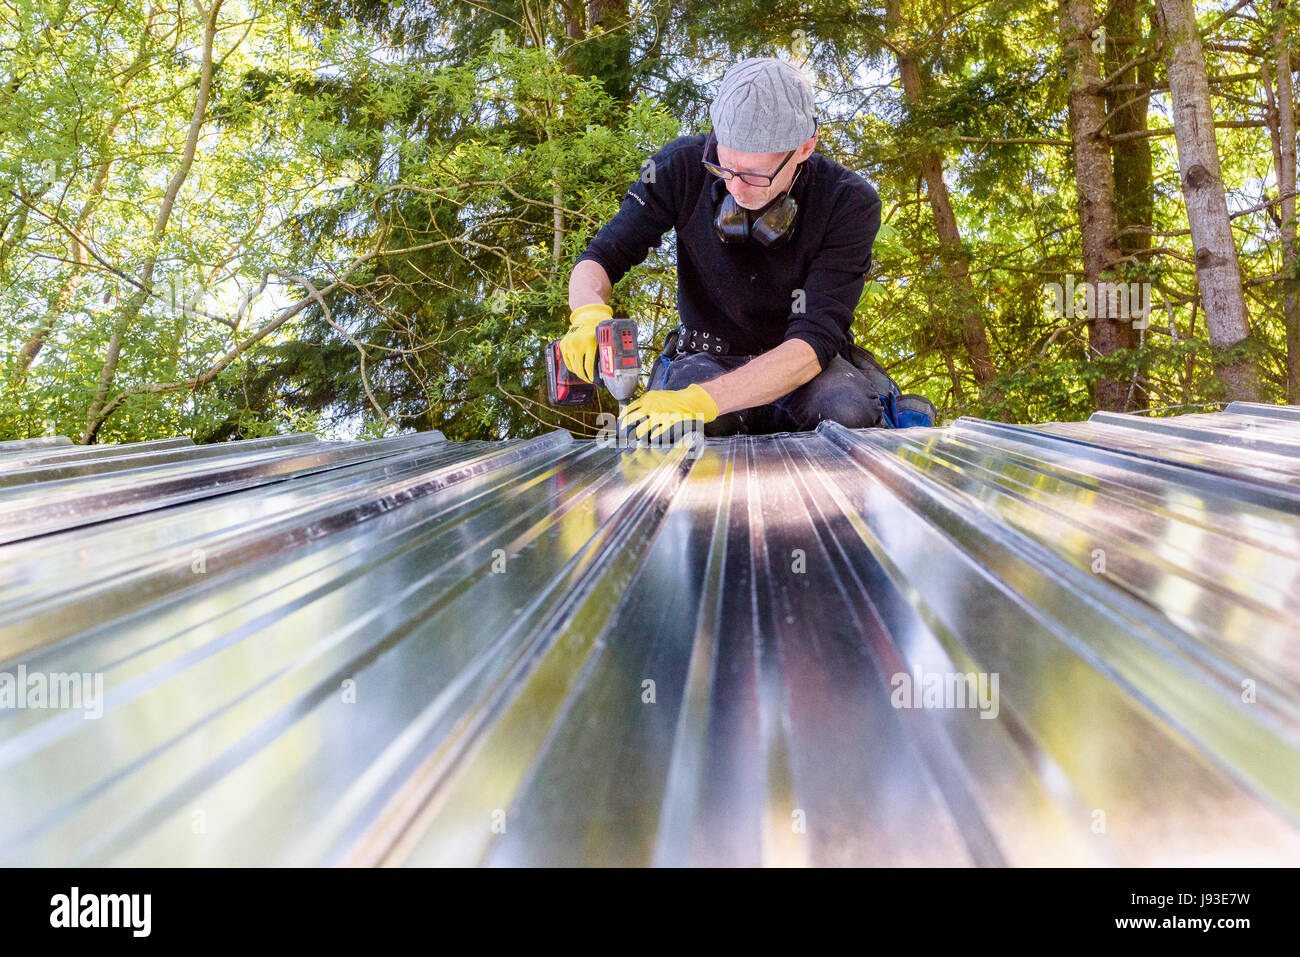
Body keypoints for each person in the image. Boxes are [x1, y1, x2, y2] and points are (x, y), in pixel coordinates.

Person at [560, 56, 884, 442]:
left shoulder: (849, 202)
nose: (735, 187)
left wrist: (704, 399)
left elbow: (813, 341)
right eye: (725, 168)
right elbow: (601, 256)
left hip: (801, 367)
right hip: (705, 356)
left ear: (804, 147)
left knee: (848, 411)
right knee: (675, 433)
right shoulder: (679, 166)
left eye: (753, 175)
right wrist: (587, 311)